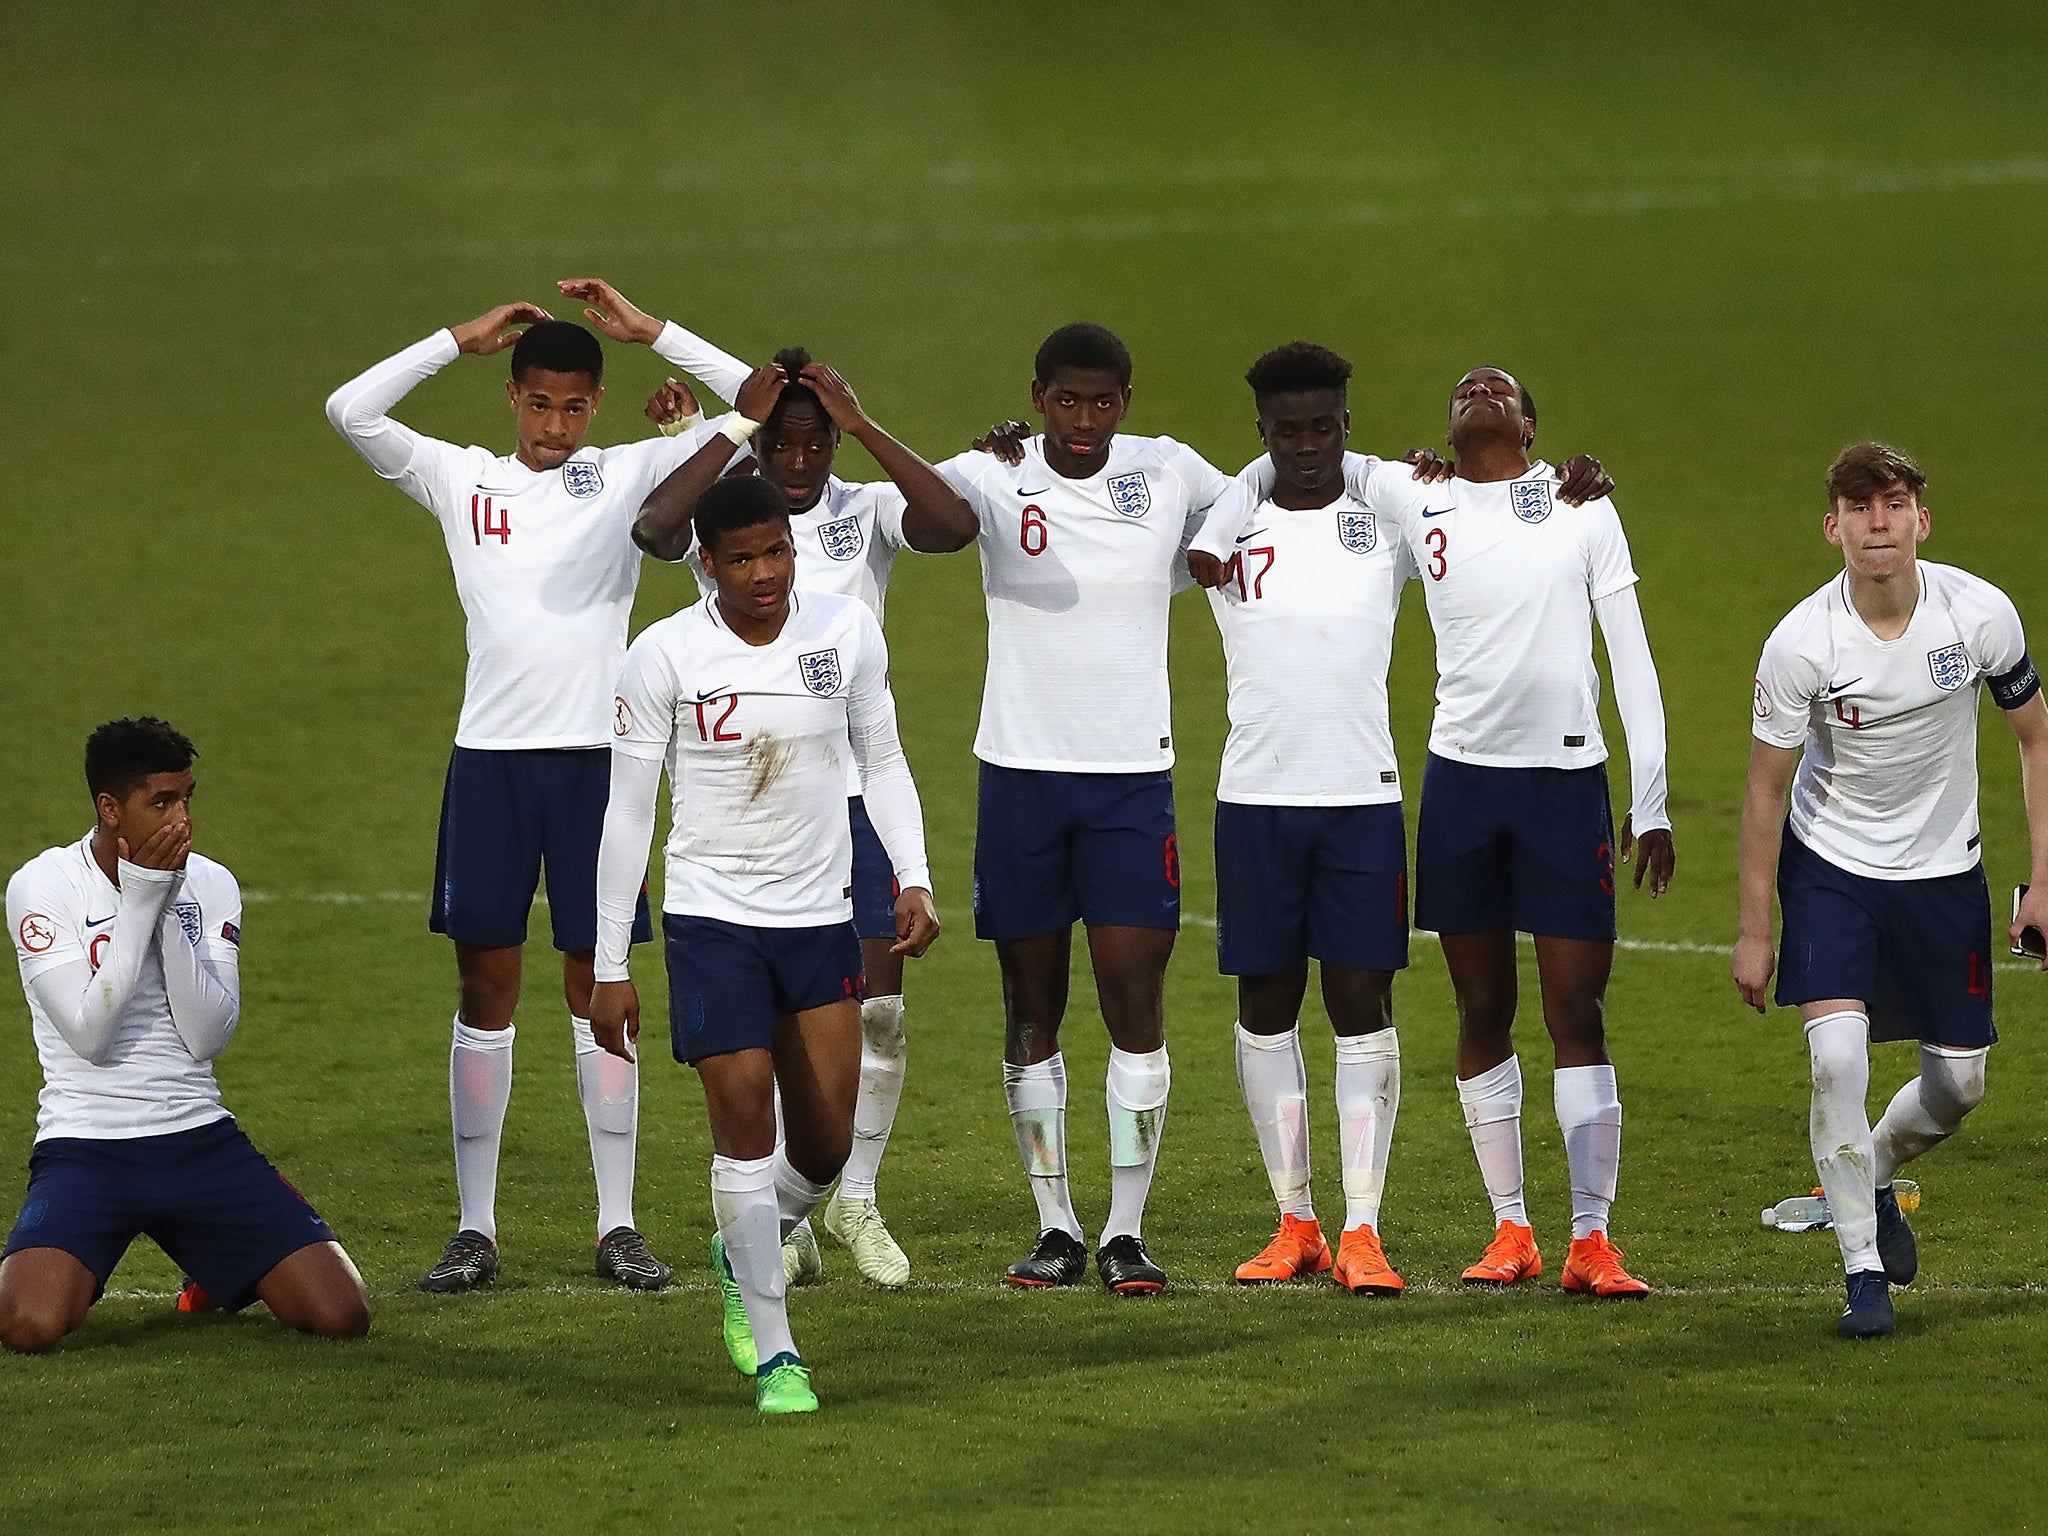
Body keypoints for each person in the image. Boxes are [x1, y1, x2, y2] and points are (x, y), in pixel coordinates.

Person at [1206, 365, 1666, 1297]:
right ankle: (1513, 1230)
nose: (1480, 388)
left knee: (1577, 1009)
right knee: (1480, 1008)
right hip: (1460, 784)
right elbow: (1280, 461)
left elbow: (1633, 653)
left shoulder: (1582, 507)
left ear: (1532, 424)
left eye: (1500, 388)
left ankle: (1592, 1238)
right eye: (1464, 388)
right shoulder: (1411, 496)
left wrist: (1650, 800)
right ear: (1443, 430)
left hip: (1567, 782)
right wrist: (1220, 527)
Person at [323, 279, 745, 1293]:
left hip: (599, 767)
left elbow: (764, 404)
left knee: (597, 990)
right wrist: (449, 339)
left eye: (572, 406)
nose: (554, 424)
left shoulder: (631, 473)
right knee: (486, 986)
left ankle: (617, 1226)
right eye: (537, 403)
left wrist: (654, 330)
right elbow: (349, 409)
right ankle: (475, 1228)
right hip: (490, 765)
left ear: (593, 405)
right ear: (511, 396)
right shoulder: (459, 479)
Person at [588, 476, 940, 1413]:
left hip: (818, 918)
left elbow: (886, 759)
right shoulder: (663, 656)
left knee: (822, 1147)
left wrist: (914, 875)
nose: (764, 574)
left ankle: (746, 1237)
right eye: (740, 559)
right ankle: (778, 1348)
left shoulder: (845, 632)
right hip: (712, 921)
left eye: (776, 551)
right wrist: (614, 964)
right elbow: (626, 815)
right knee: (743, 1115)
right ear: (705, 563)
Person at [636, 344, 978, 1287]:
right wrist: (719, 415)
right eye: (780, 444)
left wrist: (867, 425)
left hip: (859, 809)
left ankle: (851, 1199)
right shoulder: (734, 526)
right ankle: (777, 1220)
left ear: (834, 438)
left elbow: (952, 524)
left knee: (876, 1019)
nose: (798, 462)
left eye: (816, 441)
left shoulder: (866, 512)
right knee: (783, 1027)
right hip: (754, 821)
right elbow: (655, 531)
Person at [1734, 442, 2048, 1339]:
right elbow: (1763, 787)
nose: (1880, 522)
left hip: (1947, 874)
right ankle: (1863, 1270)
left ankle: (1866, 1179)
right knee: (1838, 1062)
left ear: (1921, 520)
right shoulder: (1802, 643)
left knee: (1961, 1085)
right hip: (1833, 871)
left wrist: (2044, 881)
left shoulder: (1978, 615)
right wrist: (1757, 926)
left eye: (1896, 503)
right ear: (1832, 526)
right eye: (1861, 507)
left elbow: (2036, 738)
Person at [1, 718, 370, 1352]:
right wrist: (140, 901)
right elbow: (91, 1035)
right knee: (27, 1325)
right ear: (110, 808)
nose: (182, 821)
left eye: (187, 798)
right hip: (89, 1145)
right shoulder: (45, 885)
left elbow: (206, 1036)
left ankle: (218, 1267)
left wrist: (164, 900)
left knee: (343, 1315)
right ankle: (80, 1258)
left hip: (199, 1141)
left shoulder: (210, 882)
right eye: (162, 802)